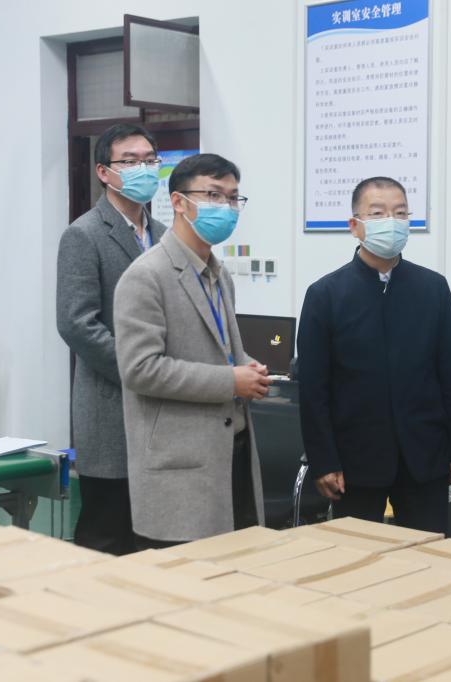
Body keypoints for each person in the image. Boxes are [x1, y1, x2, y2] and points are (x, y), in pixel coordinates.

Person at [297, 176, 451, 534]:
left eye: (400, 213)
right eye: (378, 213)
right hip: (354, 462)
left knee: (426, 555)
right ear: (354, 225)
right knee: (358, 557)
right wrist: (323, 460)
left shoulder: (433, 289)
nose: (391, 221)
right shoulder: (325, 295)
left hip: (424, 457)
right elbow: (313, 389)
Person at [114, 153, 270, 549]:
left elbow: (221, 350)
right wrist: (230, 381)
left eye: (233, 198)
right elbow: (141, 369)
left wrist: (247, 366)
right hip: (180, 467)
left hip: (231, 454)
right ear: (179, 202)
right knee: (183, 581)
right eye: (214, 195)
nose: (226, 208)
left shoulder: (219, 274)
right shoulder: (146, 276)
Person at [56, 123, 167, 555]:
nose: (143, 168)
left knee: (153, 537)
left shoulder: (165, 234)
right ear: (104, 172)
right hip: (111, 405)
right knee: (106, 534)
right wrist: (141, 371)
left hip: (162, 412)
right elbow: (77, 323)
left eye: (150, 160)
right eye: (130, 161)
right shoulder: (83, 234)